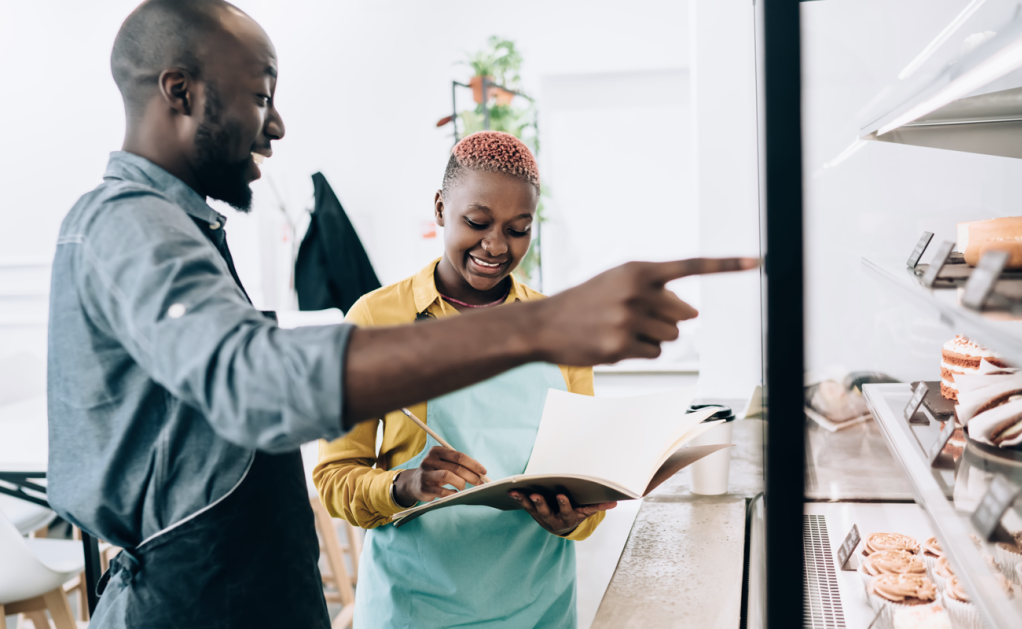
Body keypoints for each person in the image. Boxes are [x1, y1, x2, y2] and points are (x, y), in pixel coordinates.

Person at [46, 1, 757, 627]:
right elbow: (252, 381)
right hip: (199, 597)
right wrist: (537, 328)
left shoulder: (187, 228)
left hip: (258, 590)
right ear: (180, 91)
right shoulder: (129, 226)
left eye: (519, 228)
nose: (279, 123)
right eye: (262, 95)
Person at [315, 131, 615, 628]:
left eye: (518, 229)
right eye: (477, 223)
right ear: (439, 208)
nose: (496, 246)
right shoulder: (375, 320)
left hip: (539, 610)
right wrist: (406, 484)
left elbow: (591, 494)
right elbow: (334, 478)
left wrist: (574, 518)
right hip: (416, 609)